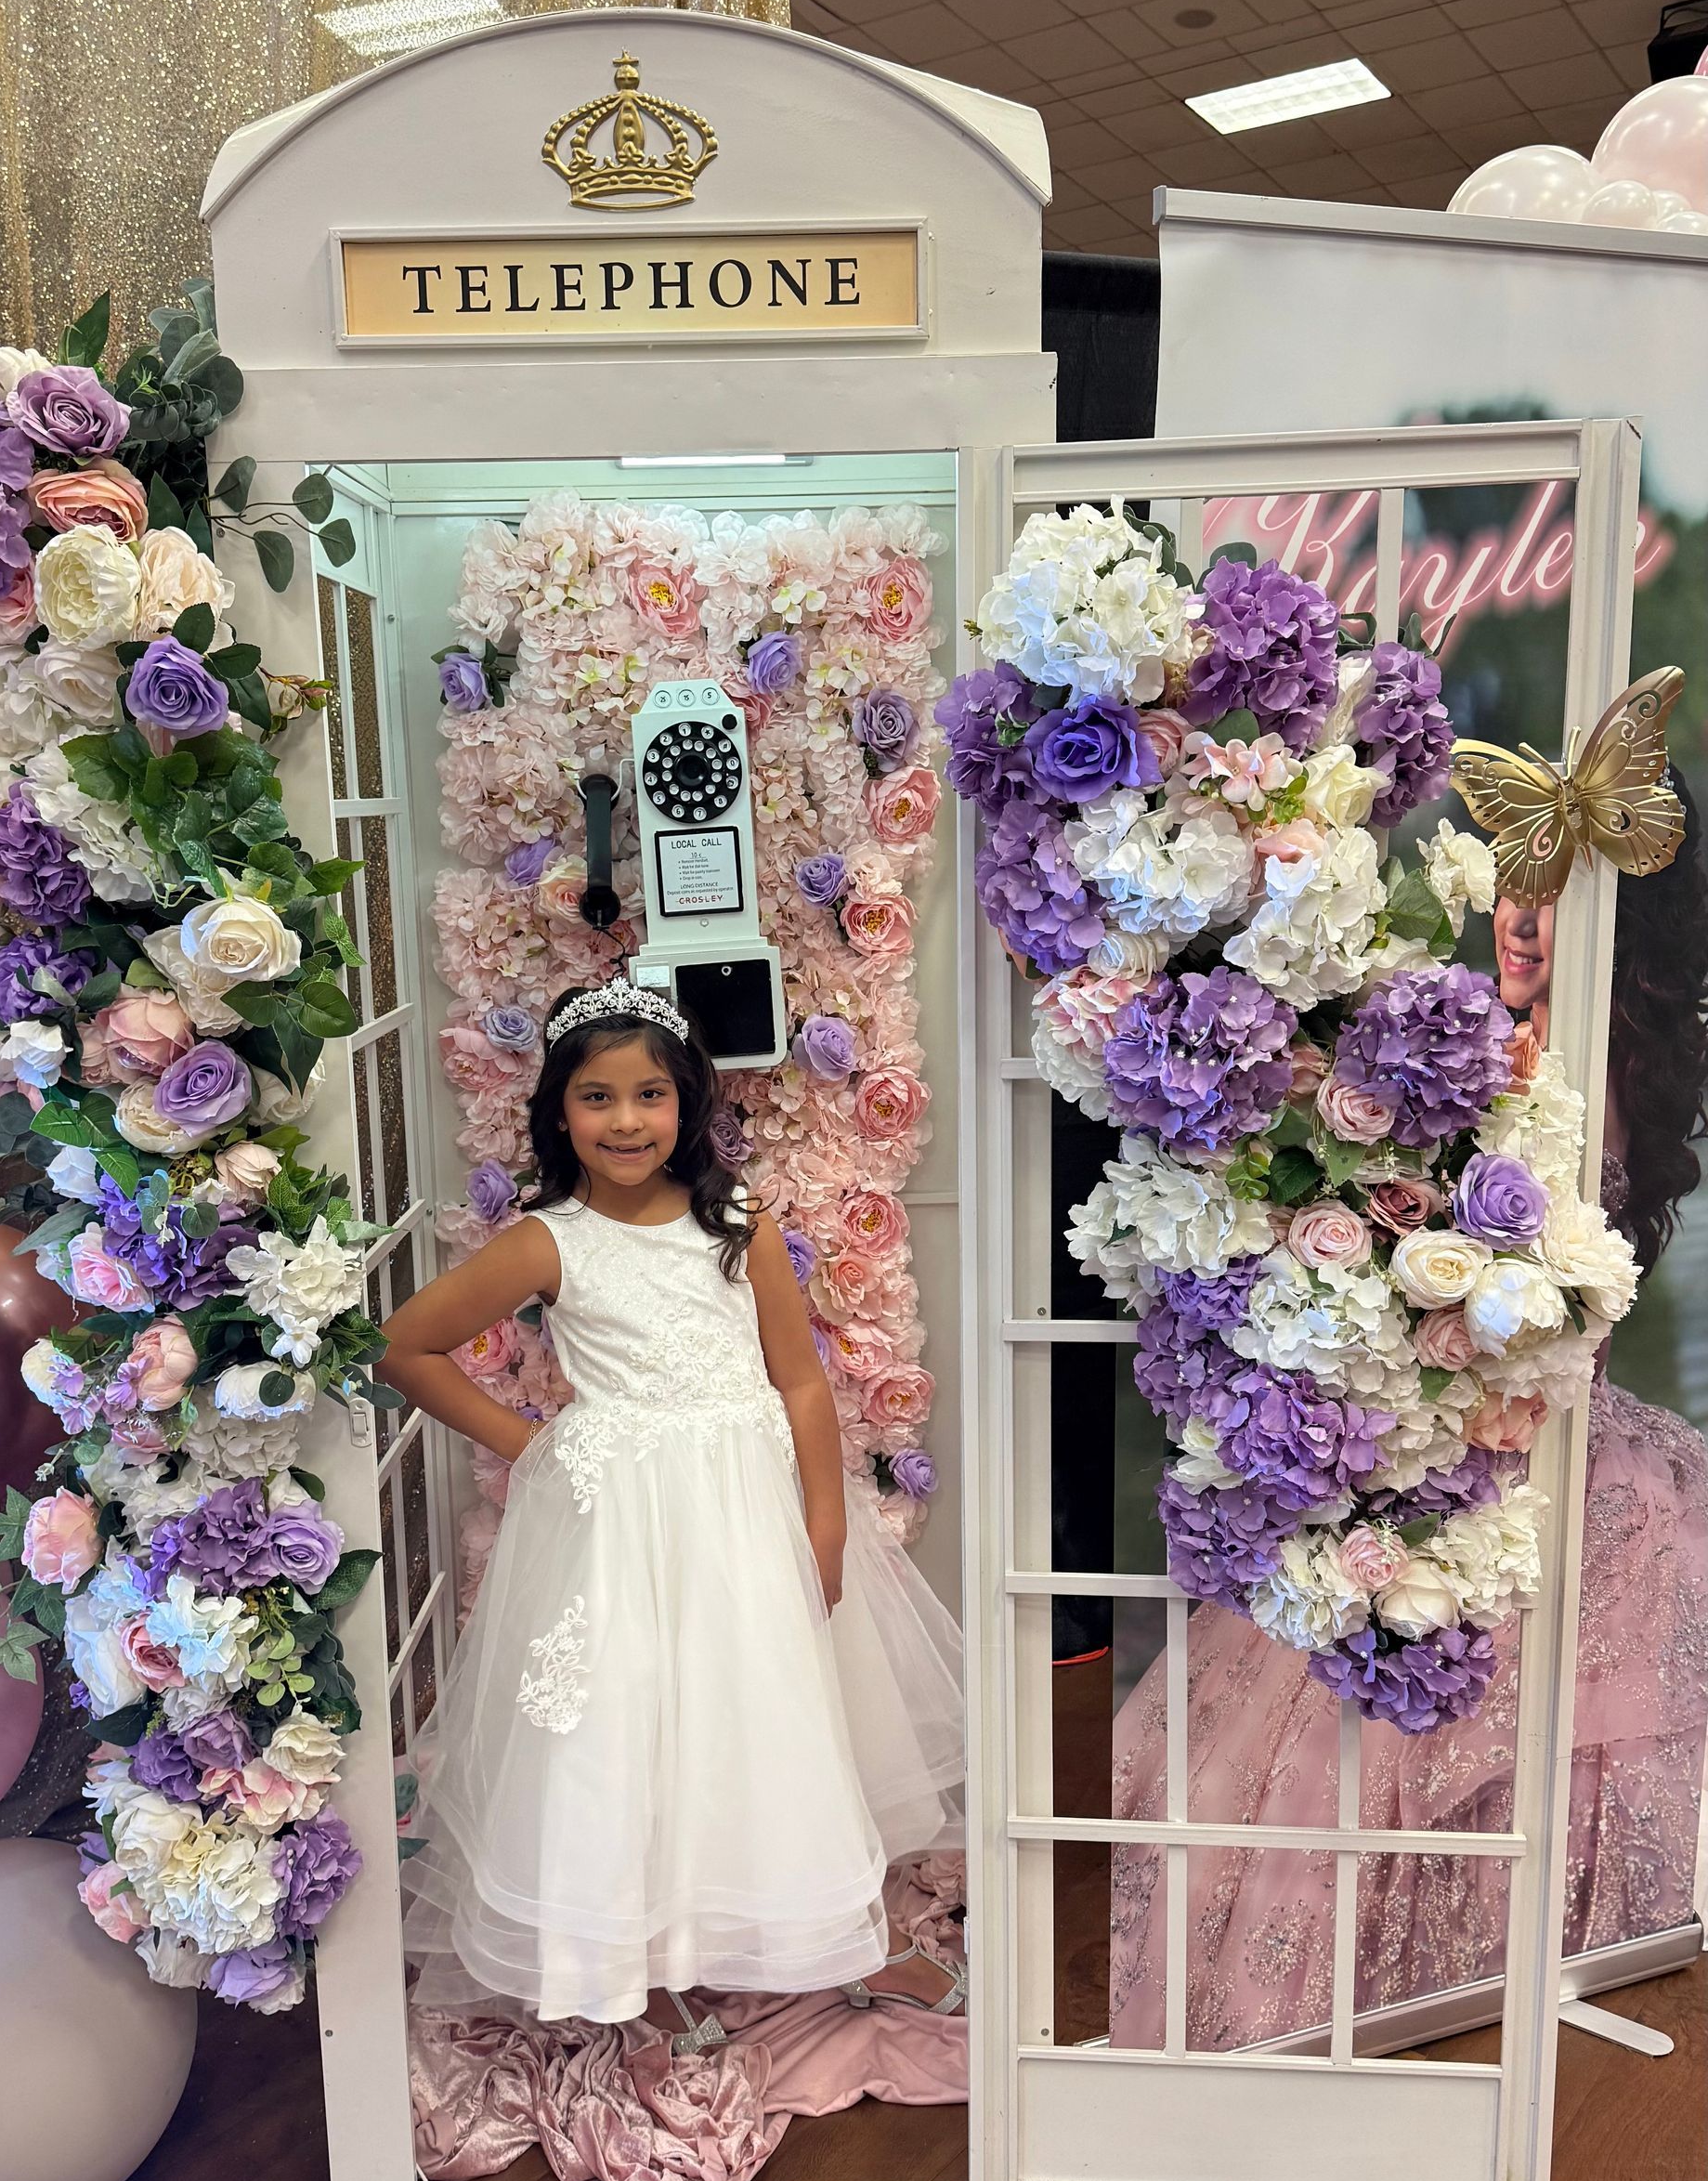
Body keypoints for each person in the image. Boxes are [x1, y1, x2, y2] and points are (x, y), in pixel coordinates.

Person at [1101, 796, 1708, 2050]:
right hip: (1426, 1430)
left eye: (1559, 899)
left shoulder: (1600, 1065)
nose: (1527, 926)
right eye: (1519, 896)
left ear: (1626, 918)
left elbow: (1576, 1283)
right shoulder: (1453, 1033)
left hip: (1548, 1439)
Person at [381, 979, 966, 2046]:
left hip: (745, 1512)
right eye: (598, 1098)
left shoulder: (736, 1221)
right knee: (627, 1716)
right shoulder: (546, 1241)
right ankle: (628, 1944)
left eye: (650, 1094)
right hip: (621, 1528)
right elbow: (408, 1347)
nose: (626, 1120)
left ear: (686, 1102)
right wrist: (534, 1443)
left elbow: (798, 1381)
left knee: (759, 1707)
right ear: (560, 1111)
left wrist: (827, 1524)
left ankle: (774, 1929)